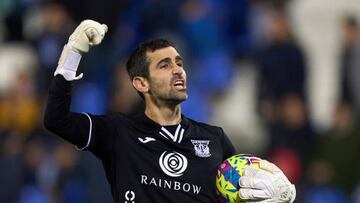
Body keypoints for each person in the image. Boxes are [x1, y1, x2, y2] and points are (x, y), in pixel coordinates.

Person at [44, 20, 296, 203]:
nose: (178, 70)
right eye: (165, 65)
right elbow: (57, 120)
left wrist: (277, 195)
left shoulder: (213, 138)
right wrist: (73, 53)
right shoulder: (118, 132)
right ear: (141, 84)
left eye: (179, 63)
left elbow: (241, 190)